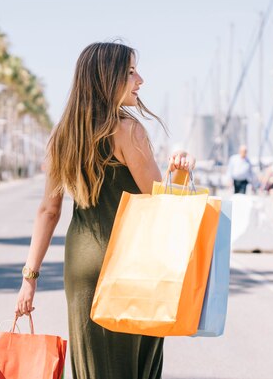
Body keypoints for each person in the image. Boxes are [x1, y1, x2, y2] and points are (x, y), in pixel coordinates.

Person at [15, 42, 195, 379]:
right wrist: (182, 173)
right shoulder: (128, 131)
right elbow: (161, 203)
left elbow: (48, 212)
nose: (140, 80)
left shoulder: (62, 137)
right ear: (105, 78)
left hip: (83, 264)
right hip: (131, 264)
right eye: (130, 72)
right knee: (133, 368)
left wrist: (30, 278)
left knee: (93, 368)